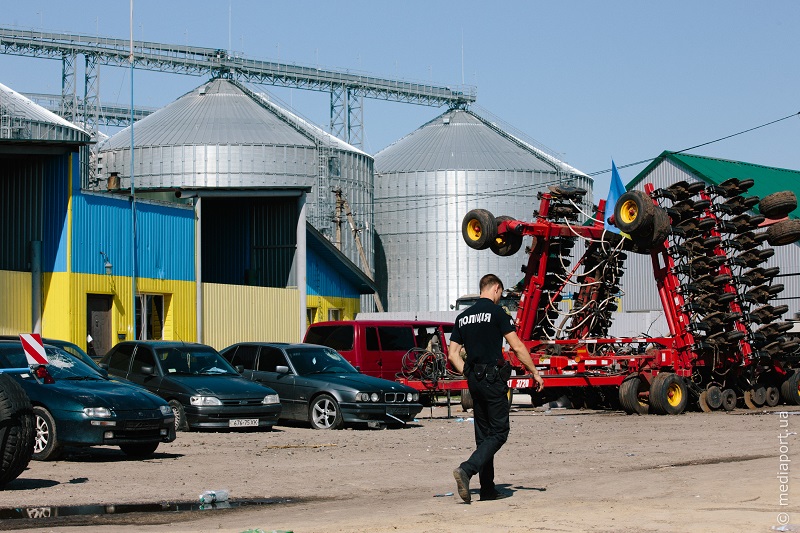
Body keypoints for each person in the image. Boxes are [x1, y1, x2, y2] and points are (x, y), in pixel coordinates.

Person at [448, 274, 543, 503]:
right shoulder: (498, 313)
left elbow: (452, 354)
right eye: (500, 294)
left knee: (484, 436)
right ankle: (467, 469)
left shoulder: (463, 317)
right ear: (496, 289)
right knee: (499, 432)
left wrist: (468, 373)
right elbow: (517, 347)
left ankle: (487, 489)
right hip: (492, 381)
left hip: (475, 382)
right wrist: (535, 372)